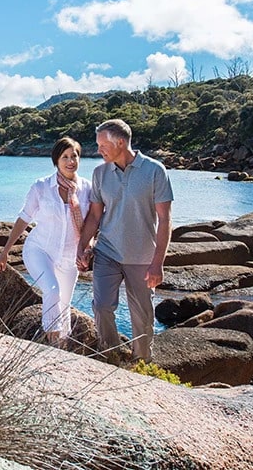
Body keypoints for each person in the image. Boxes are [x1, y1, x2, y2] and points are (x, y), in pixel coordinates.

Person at [76, 119, 173, 362]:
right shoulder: (100, 173)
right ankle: (110, 357)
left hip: (142, 257)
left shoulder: (154, 171)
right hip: (107, 251)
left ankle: (142, 363)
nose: (98, 150)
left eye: (102, 145)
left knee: (142, 317)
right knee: (101, 307)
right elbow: (95, 215)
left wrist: (157, 262)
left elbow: (165, 220)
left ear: (120, 142)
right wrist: (82, 246)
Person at [0, 137, 92, 346]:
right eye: (64, 157)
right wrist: (5, 251)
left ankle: (61, 345)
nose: (70, 161)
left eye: (74, 156)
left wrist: (88, 248)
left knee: (64, 304)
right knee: (52, 291)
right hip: (40, 250)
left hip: (69, 257)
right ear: (56, 160)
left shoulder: (87, 189)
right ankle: (51, 340)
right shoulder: (41, 186)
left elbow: (94, 222)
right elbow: (24, 218)